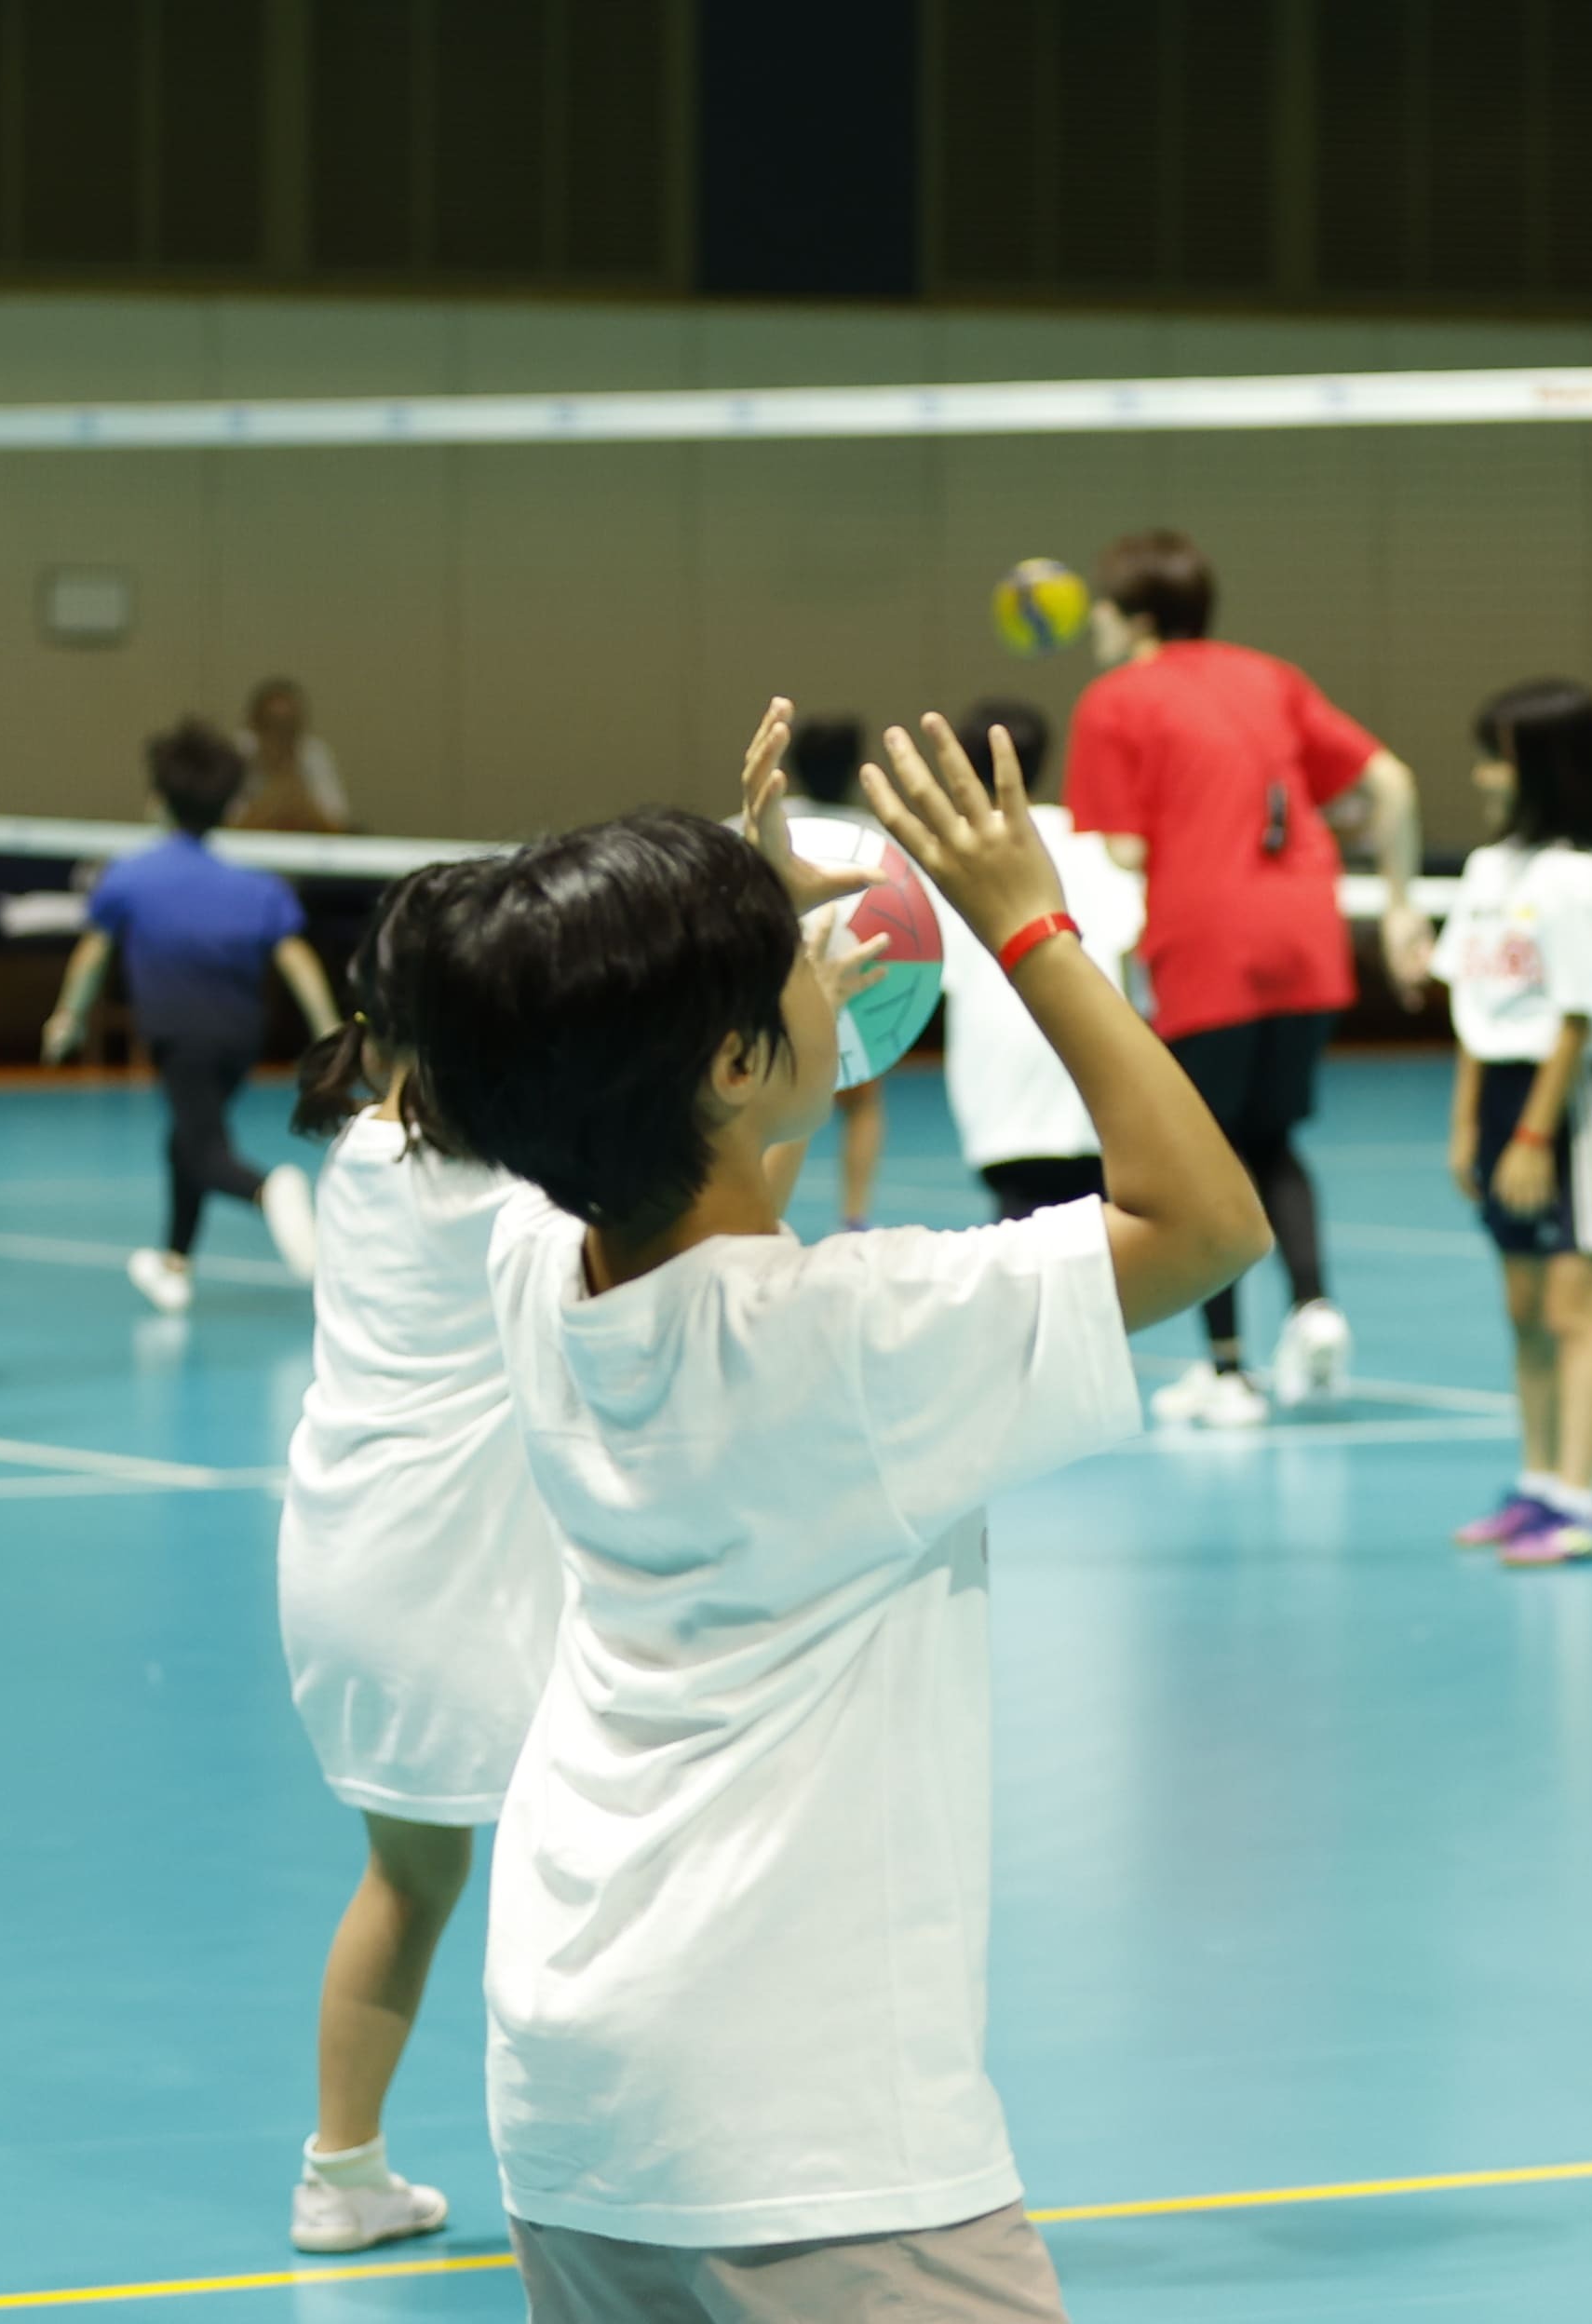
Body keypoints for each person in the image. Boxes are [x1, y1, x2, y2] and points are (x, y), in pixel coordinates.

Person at [412, 706, 1269, 2315]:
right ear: (734, 1060)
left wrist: (749, 938)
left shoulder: (537, 1257)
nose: (832, 968)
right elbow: (1204, 1219)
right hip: (809, 2140)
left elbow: (720, 1155)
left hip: (576, 2096)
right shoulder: (861, 1341)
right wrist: (1026, 926)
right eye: (796, 975)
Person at [273, 863, 562, 2255]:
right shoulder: (513, 1179)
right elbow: (716, 1215)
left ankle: (343, 2173)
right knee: (585, 1856)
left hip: (341, 1566)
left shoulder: (363, 1147)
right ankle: (599, 2178)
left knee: (413, 1873)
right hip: (455, 1576)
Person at [1067, 529, 1430, 1426]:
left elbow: (1119, 845)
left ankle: (1227, 1372)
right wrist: (1399, 907)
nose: (1095, 631)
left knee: (1200, 1157)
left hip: (1207, 945)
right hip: (1308, 938)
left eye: (1104, 612)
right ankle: (1313, 1307)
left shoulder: (1114, 701)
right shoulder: (1270, 675)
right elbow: (1393, 785)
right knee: (1271, 1139)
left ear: (1137, 616)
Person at [1440, 680, 1592, 1567]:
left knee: (1570, 1308)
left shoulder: (1577, 879)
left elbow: (1576, 1013)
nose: (1485, 771)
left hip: (1568, 1110)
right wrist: (1467, 1125)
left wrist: (1531, 1136)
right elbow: (1476, 1007)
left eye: (1500, 753)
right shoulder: (1491, 872)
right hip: (1499, 1104)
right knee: (1520, 1307)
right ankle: (1534, 1485)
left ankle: (1579, 1499)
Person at [41, 719, 339, 1310]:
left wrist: (67, 1018)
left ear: (157, 800)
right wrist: (327, 1025)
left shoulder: (128, 875)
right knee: (188, 1139)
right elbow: (297, 959)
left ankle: (266, 1190)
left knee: (203, 1149)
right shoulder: (257, 886)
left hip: (180, 1036)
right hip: (240, 1039)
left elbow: (92, 955)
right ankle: (175, 1265)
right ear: (230, 805)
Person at [929, 699, 1149, 1220]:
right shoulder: (1090, 843)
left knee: (1020, 1240)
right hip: (1090, 1062)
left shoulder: (954, 851)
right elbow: (1133, 939)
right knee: (1097, 1248)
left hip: (1001, 1071)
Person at [787, 716, 891, 1234]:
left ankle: (756, 1212)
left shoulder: (756, 823)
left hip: (780, 990)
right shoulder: (872, 838)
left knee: (771, 1098)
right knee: (862, 1104)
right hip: (853, 990)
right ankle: (855, 1218)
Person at [233, 676, 352, 833]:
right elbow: (229, 828)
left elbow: (339, 827)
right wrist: (277, 790)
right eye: (272, 725)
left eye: (289, 727)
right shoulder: (237, 753)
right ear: (254, 725)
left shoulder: (313, 753)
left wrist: (293, 782)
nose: (281, 736)